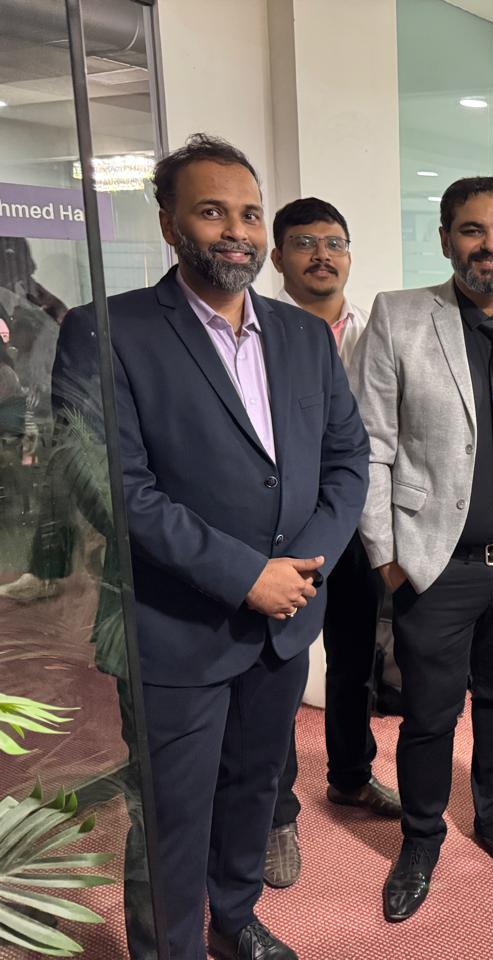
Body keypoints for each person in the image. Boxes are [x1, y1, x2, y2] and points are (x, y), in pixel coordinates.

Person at [56, 133, 369, 960]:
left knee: (253, 789)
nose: (238, 231)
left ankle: (234, 920)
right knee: (171, 816)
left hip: (286, 619)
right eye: (212, 212)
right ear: (169, 225)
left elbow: (347, 459)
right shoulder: (106, 331)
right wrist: (245, 576)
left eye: (251, 214)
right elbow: (111, 489)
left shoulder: (303, 336)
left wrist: (304, 569)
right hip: (175, 630)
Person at [349, 175, 493, 923]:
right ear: (446, 238)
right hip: (435, 565)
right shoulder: (399, 317)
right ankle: (420, 838)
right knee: (428, 713)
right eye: (473, 230)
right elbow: (369, 445)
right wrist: (387, 556)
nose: (490, 245)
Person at [261, 197, 399, 890]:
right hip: (283, 531)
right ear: (278, 257)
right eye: (305, 243)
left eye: (335, 242)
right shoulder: (259, 335)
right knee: (278, 668)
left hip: (361, 526)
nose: (322, 255)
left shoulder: (381, 334)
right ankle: (274, 811)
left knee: (353, 660)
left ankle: (349, 775)